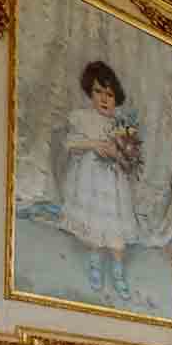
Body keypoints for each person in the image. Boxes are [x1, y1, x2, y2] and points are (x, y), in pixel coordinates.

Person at [57, 60, 143, 301]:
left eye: (110, 94)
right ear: (89, 92)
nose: (104, 99)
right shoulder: (83, 118)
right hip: (90, 181)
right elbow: (70, 144)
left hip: (114, 184)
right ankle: (95, 262)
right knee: (95, 223)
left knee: (115, 227)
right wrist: (95, 144)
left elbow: (130, 157)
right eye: (98, 92)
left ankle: (117, 270)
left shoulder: (121, 125)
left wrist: (122, 153)